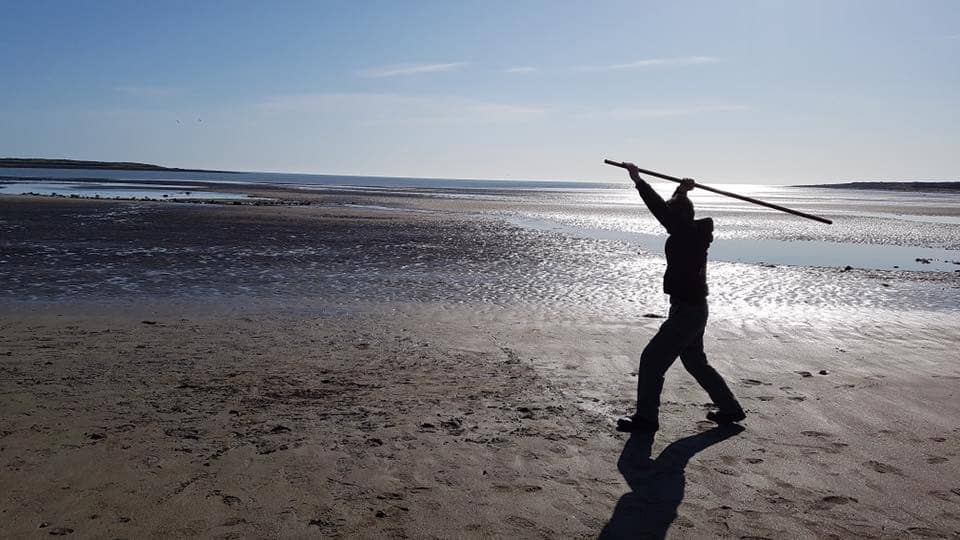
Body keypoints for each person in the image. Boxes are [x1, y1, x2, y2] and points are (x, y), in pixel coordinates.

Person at [617, 163, 745, 433]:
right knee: (695, 362)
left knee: (651, 361)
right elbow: (672, 212)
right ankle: (730, 409)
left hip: (688, 311)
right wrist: (682, 190)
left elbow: (662, 212)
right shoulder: (692, 232)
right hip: (692, 309)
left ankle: (646, 420)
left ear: (679, 218)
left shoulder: (686, 234)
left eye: (672, 211)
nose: (668, 218)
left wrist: (638, 181)